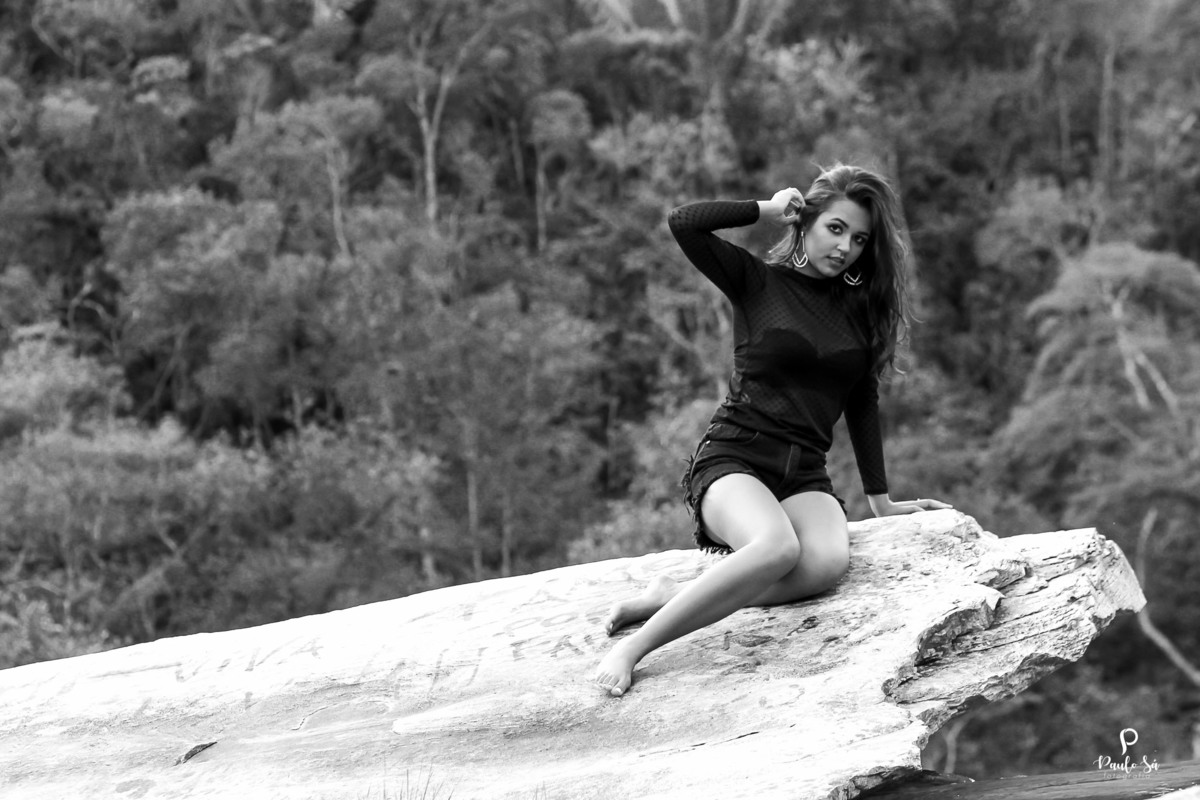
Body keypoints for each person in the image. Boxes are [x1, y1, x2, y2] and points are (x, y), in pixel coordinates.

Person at [592, 164, 952, 698]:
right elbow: (684, 222)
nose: (845, 248)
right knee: (777, 548)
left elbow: (862, 401)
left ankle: (673, 595)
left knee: (824, 565)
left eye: (859, 239)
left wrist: (882, 502)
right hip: (735, 459)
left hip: (803, 472)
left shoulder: (860, 313)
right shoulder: (757, 281)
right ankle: (634, 647)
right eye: (835, 228)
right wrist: (764, 209)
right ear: (806, 222)